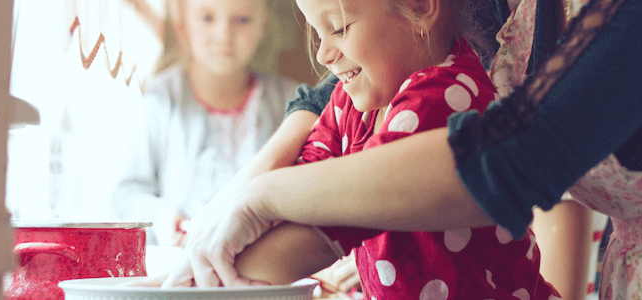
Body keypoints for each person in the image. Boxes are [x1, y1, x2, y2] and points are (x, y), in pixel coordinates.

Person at [159, 0, 565, 298]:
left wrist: (188, 283)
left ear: (420, 6)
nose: (323, 53)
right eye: (317, 33)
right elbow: (306, 173)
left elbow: (319, 229)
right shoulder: (353, 100)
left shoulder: (443, 96)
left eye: (338, 28)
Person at [110, 0, 299, 246]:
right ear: (183, 21)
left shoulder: (294, 103)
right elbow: (128, 193)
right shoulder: (159, 98)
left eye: (242, 20)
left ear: (263, 23)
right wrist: (165, 219)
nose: (223, 35)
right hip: (180, 264)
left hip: (267, 266)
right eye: (207, 18)